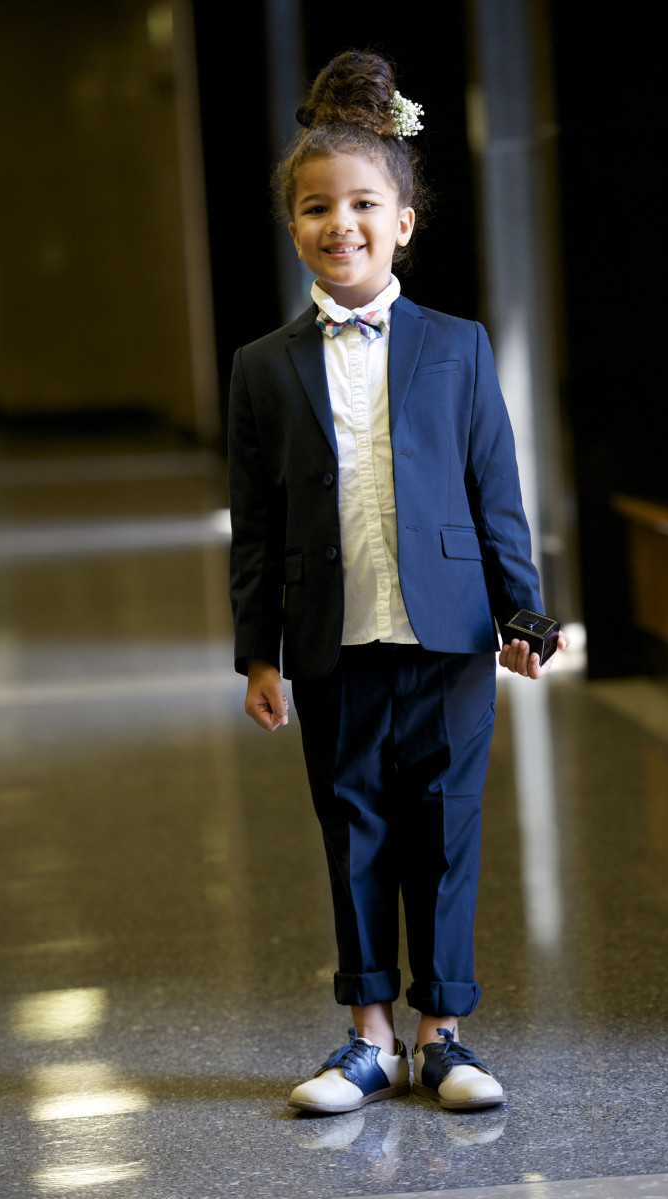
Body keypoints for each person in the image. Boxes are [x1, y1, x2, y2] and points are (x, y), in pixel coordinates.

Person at [227, 49, 569, 1116]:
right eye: (316, 207)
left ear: (404, 219)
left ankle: (444, 1030)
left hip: (452, 636)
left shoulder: (459, 350)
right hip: (331, 637)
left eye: (363, 203)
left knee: (445, 826)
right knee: (353, 825)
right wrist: (256, 648)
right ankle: (366, 1031)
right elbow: (257, 524)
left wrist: (521, 612)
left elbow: (495, 498)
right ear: (292, 228)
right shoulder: (262, 366)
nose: (341, 224)